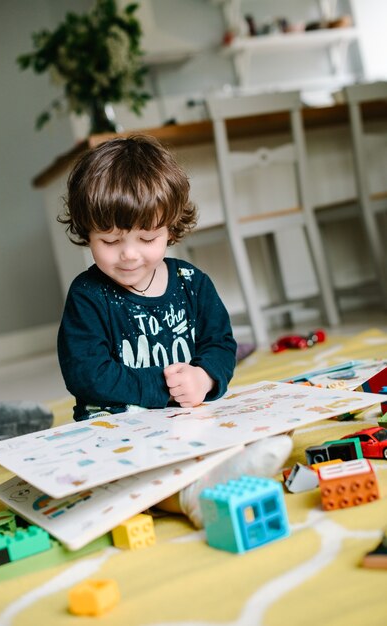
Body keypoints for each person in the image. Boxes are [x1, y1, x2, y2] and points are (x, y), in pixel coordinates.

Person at [57, 135, 292, 528]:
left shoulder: (190, 282)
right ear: (87, 232)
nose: (129, 254)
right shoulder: (88, 295)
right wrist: (162, 388)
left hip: (188, 423)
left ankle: (226, 467)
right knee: (120, 480)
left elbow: (220, 344)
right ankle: (190, 497)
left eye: (147, 238)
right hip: (116, 430)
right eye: (110, 241)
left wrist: (204, 377)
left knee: (235, 432)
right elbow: (85, 372)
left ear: (171, 226)